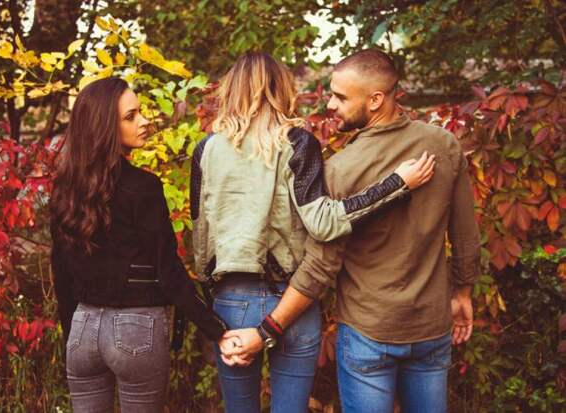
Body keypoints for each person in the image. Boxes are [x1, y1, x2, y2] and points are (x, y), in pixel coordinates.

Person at [224, 49, 481, 413]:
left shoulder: (340, 169)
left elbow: (321, 266)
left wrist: (267, 329)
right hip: (430, 326)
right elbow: (466, 232)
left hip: (368, 333)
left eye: (341, 97)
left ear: (375, 100)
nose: (331, 104)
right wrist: (463, 292)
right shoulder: (443, 145)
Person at [50, 77, 230, 413]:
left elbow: (61, 274)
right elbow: (168, 270)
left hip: (82, 329)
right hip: (136, 331)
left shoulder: (66, 189)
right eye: (131, 116)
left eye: (141, 112)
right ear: (105, 127)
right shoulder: (143, 187)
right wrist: (217, 330)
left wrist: (71, 335)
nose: (145, 121)